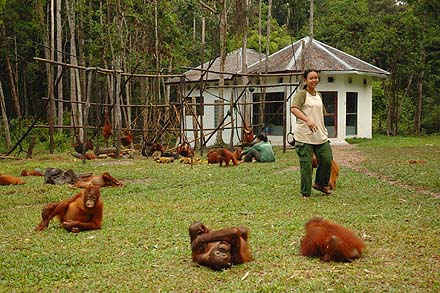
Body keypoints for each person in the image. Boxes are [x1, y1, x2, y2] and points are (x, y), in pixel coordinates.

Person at [290, 69, 334, 197]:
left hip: (320, 135)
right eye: (311, 78)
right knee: (306, 165)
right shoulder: (301, 94)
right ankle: (305, 192)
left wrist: (323, 129)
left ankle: (321, 183)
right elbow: (293, 109)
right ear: (305, 80)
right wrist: (307, 120)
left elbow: (321, 115)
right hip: (304, 136)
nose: (314, 80)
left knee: (327, 159)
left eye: (316, 78)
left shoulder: (318, 95)